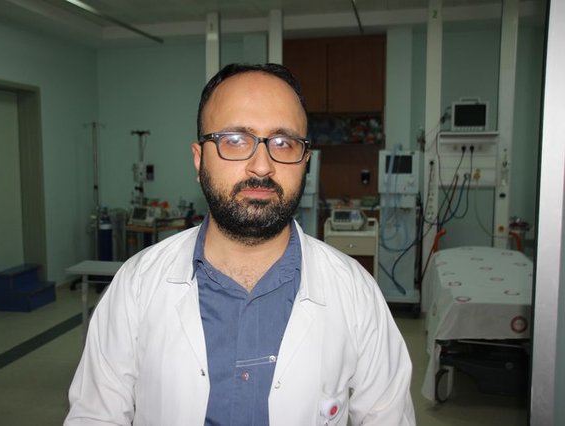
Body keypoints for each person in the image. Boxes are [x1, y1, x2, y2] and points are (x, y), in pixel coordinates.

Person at [65, 63, 415, 425]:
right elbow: (96, 416)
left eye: (283, 143)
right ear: (199, 160)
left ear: (305, 161)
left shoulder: (355, 293)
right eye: (234, 140)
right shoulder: (136, 285)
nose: (261, 166)